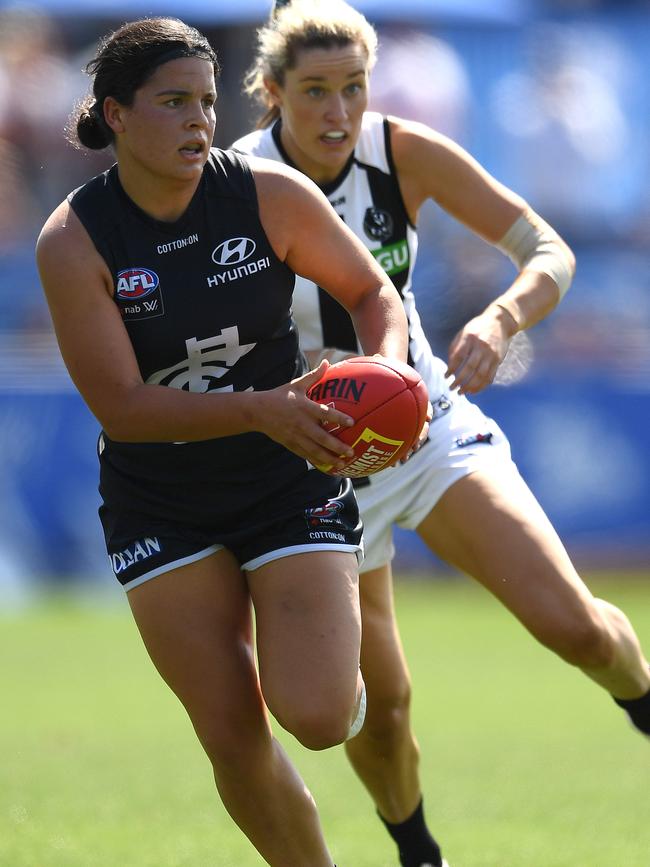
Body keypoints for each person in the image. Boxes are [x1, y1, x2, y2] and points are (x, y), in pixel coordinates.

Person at [234, 2, 650, 866]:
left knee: (573, 625)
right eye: (314, 91)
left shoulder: (400, 152)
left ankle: (644, 702)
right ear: (271, 92)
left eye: (353, 87)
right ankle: (421, 854)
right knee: (379, 713)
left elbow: (546, 247)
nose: (338, 112)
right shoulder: (236, 184)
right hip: (318, 471)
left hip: (425, 426)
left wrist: (501, 320)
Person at [35, 16, 414, 867]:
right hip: (159, 499)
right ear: (117, 115)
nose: (199, 121)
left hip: (287, 476)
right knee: (233, 736)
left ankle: (337, 673)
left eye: (207, 102)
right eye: (173, 103)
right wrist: (262, 404)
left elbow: (371, 291)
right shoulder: (73, 240)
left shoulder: (268, 193)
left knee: (316, 718)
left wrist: (391, 376)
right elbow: (124, 407)